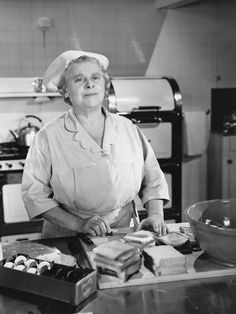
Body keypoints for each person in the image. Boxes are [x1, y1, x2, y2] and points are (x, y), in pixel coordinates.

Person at [22, 50, 170, 239]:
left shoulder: (128, 128)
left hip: (123, 231)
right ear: (66, 90)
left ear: (105, 86)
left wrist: (155, 214)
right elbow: (34, 195)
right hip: (68, 234)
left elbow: (153, 180)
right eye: (78, 79)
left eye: (95, 77)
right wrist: (79, 224)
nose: (89, 83)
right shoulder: (48, 136)